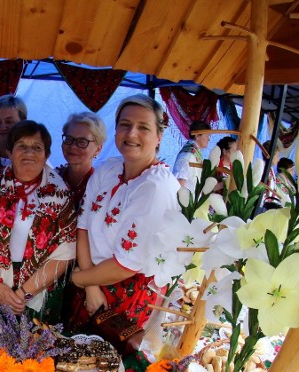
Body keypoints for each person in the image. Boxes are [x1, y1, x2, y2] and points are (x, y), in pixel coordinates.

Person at [70, 94, 180, 331]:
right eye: (125, 125)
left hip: (127, 295)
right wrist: (90, 286)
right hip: (92, 282)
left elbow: (125, 265)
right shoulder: (108, 169)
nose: (131, 134)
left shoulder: (156, 187)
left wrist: (79, 279)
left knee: (111, 364)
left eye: (143, 127)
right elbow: (83, 226)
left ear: (159, 136)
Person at [0, 121, 76, 324]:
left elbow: (67, 251)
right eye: (21, 146)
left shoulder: (60, 194)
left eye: (37, 147)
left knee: (38, 350)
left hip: (40, 289)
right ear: (9, 152)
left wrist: (24, 294)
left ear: (47, 155)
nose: (29, 152)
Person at [56, 112, 106, 208]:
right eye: (69, 139)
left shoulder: (102, 187)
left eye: (82, 142)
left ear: (98, 149)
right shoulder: (50, 179)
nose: (73, 146)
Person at [173, 120, 211, 190]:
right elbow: (179, 184)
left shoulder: (195, 153)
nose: (209, 139)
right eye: (207, 135)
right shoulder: (187, 156)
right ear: (197, 136)